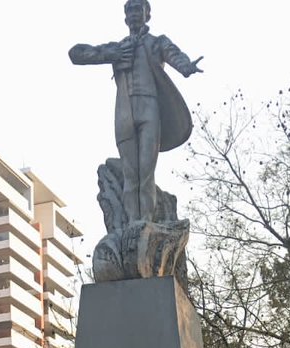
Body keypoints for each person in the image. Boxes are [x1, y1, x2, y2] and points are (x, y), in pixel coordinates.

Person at [69, 0, 202, 223]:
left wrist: (187, 66)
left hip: (150, 110)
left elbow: (175, 55)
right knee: (131, 173)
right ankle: (133, 223)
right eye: (129, 10)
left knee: (146, 172)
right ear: (124, 17)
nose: (133, 14)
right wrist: (112, 54)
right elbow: (76, 54)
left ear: (147, 15)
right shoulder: (118, 46)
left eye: (137, 10)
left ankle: (146, 222)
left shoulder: (157, 43)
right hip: (124, 112)